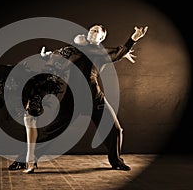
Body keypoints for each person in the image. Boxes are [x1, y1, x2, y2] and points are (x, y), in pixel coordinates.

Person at [20, 24, 148, 173]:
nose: (91, 32)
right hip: (72, 100)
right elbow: (58, 55)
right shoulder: (74, 49)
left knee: (115, 130)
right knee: (52, 132)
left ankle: (116, 161)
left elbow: (118, 53)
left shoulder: (101, 53)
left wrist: (134, 38)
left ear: (101, 38)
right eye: (91, 29)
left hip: (95, 99)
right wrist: (46, 56)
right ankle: (27, 160)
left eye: (96, 31)